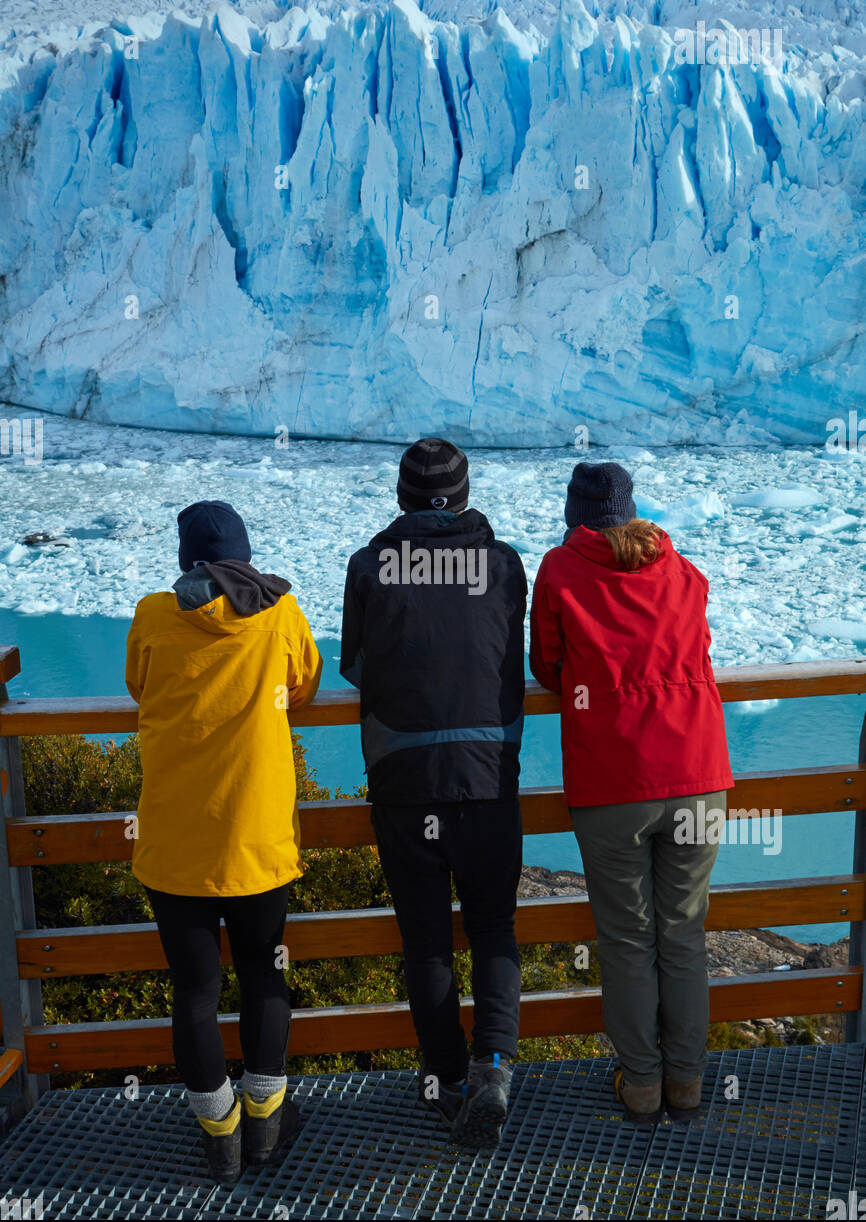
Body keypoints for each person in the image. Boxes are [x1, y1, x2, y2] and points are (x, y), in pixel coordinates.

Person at [529, 462, 733, 1125]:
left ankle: (642, 1085)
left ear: (575, 515)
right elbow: (697, 646)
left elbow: (547, 667)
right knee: (683, 936)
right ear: (632, 510)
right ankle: (689, 1088)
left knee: (625, 941)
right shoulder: (683, 569)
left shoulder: (561, 571)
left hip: (612, 780)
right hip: (698, 774)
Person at [125, 500, 322, 1183]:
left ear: (186, 560)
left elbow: (137, 683)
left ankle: (221, 1136)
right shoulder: (280, 614)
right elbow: (305, 684)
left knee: (195, 992)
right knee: (266, 979)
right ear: (244, 556)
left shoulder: (154, 616)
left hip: (176, 843)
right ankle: (267, 1126)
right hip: (258, 841)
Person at [340, 438, 527, 1147]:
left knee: (427, 943)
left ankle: (447, 1082)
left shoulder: (370, 566)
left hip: (405, 782)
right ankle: (495, 1073)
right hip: (487, 779)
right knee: (494, 927)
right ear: (466, 492)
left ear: (402, 496)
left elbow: (355, 666)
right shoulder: (505, 564)